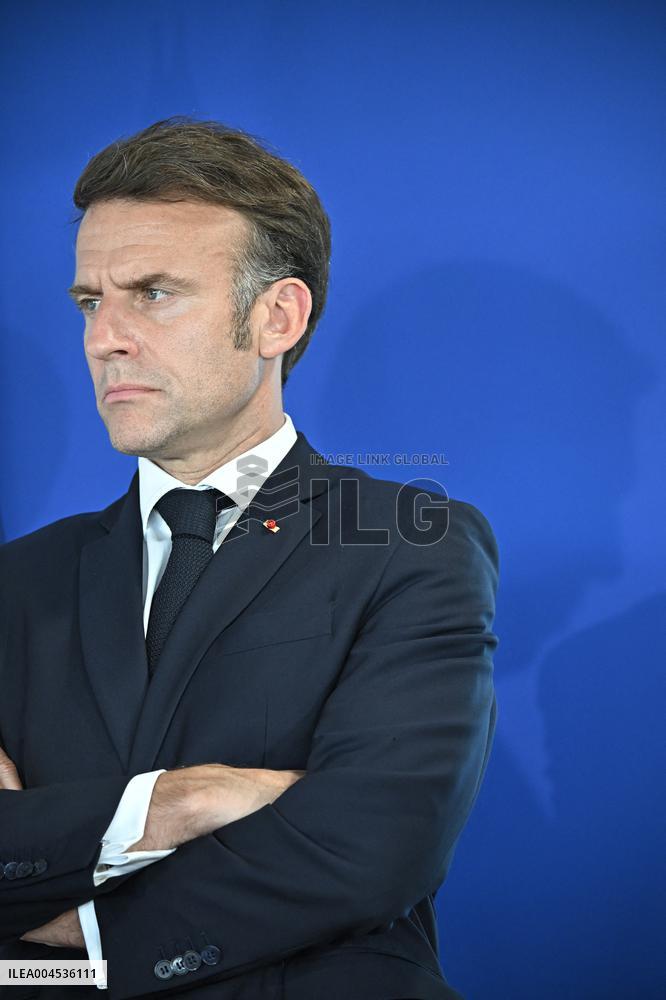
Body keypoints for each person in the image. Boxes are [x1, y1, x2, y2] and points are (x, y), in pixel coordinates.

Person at [0, 118, 500, 999]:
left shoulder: (409, 542)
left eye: (152, 292)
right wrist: (177, 803)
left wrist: (72, 939)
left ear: (277, 316)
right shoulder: (19, 581)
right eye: (90, 301)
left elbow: (372, 847)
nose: (102, 337)